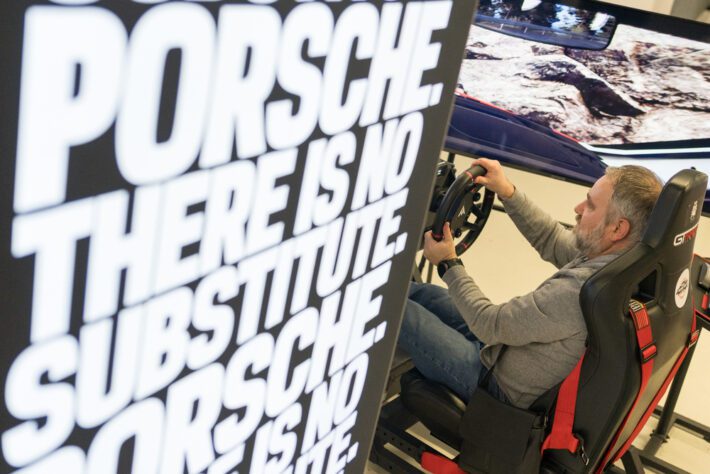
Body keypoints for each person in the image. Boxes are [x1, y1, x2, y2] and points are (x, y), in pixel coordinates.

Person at [398, 159, 663, 408]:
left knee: (393, 308)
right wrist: (507, 191)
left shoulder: (578, 291)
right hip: (504, 351)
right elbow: (551, 239)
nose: (578, 209)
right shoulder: (619, 263)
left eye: (591, 206)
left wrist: (448, 264)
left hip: (493, 386)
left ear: (617, 229)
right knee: (423, 295)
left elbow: (490, 324)